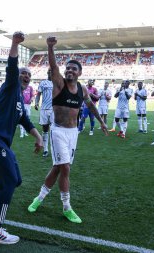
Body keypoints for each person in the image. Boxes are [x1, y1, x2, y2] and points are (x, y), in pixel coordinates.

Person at [0, 32, 43, 244]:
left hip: (0, 141)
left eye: (29, 75)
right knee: (9, 181)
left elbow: (25, 121)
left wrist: (38, 137)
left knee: (16, 180)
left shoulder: (20, 98)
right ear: (17, 76)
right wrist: (14, 44)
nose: (26, 76)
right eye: (23, 73)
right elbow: (12, 66)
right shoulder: (10, 86)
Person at [28, 36, 108, 224]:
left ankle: (38, 198)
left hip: (73, 133)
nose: (70, 70)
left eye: (74, 68)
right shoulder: (59, 84)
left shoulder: (82, 89)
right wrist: (50, 47)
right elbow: (54, 67)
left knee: (58, 168)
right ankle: (67, 207)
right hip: (58, 132)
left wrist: (102, 122)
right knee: (65, 167)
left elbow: (90, 106)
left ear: (80, 72)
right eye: (68, 68)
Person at [35, 68, 54, 157]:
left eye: (52, 71)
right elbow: (38, 94)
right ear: (47, 73)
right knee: (45, 129)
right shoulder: (43, 83)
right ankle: (45, 149)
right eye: (49, 71)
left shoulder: (57, 83)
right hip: (44, 109)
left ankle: (54, 148)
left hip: (54, 110)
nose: (50, 73)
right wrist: (36, 103)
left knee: (54, 130)